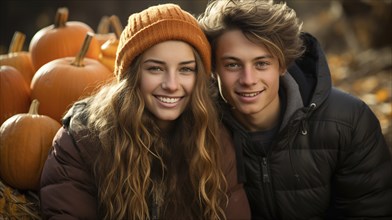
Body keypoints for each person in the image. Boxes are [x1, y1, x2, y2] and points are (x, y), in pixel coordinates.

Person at [39, 3, 250, 220]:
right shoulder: (83, 139)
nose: (171, 84)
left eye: (185, 69)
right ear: (132, 76)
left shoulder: (214, 139)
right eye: (155, 68)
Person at [198, 0, 392, 219]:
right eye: (232, 64)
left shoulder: (348, 121)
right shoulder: (199, 131)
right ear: (213, 69)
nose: (248, 80)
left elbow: (371, 212)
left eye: (261, 63)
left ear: (282, 65)